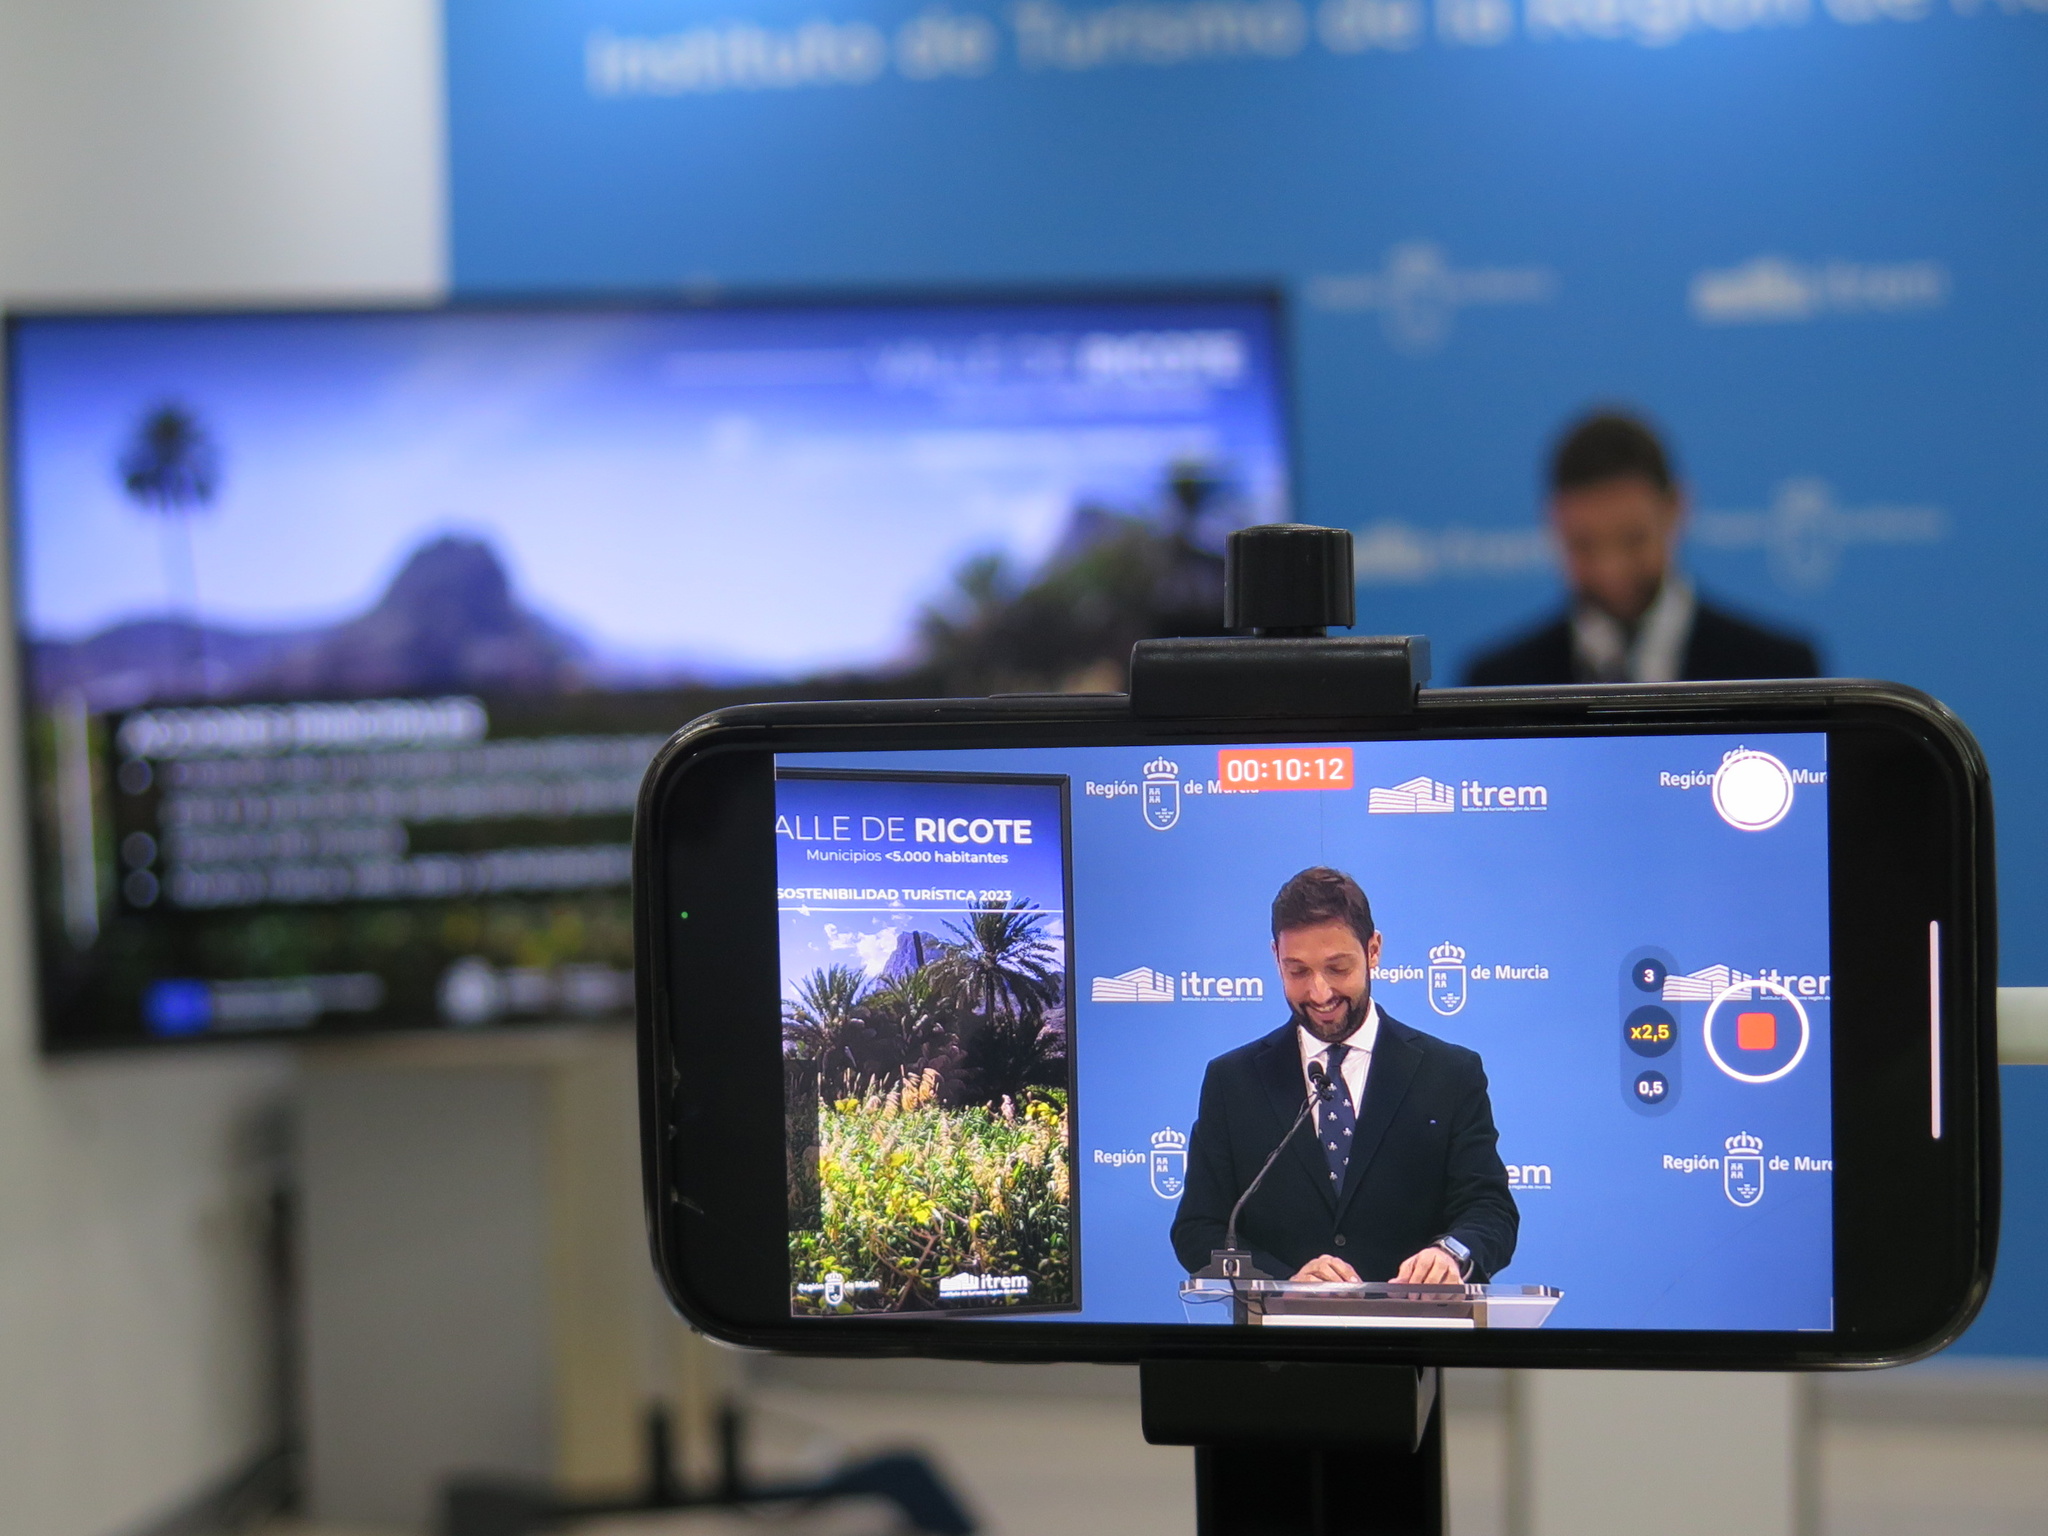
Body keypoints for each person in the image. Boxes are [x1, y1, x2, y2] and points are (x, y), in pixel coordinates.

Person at [1170, 867, 1518, 1285]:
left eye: (1337, 968)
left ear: (1373, 951)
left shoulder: (1450, 1073)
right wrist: (1283, 1280)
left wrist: (1451, 1254)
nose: (1319, 993)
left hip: (1418, 1338)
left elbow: (1490, 1210)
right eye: (1297, 971)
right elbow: (1198, 1231)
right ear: (1275, 959)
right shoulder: (1232, 1081)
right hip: (1279, 1344)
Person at [1464, 410, 1820, 685]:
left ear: (1677, 509)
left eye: (1633, 539)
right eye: (1583, 545)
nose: (1611, 570)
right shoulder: (1497, 682)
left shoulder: (1779, 671)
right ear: (1553, 525)